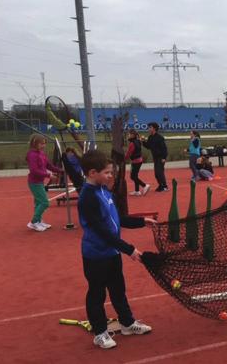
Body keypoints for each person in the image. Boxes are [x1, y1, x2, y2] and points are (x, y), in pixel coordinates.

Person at [78, 149, 156, 349]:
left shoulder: (105, 190)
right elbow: (103, 232)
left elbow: (117, 219)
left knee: (118, 290)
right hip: (96, 256)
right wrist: (129, 249)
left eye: (111, 172)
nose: (111, 176)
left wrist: (140, 222)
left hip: (112, 253)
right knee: (97, 294)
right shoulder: (87, 197)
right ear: (92, 173)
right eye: (107, 172)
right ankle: (100, 332)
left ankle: (127, 323)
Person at [26, 134, 62, 232]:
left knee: (38, 202)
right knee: (44, 202)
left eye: (44, 143)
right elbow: (34, 170)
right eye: (41, 144)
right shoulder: (31, 154)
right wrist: (49, 175)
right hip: (34, 182)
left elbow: (49, 166)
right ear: (35, 143)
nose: (43, 146)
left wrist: (61, 171)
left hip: (39, 182)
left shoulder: (42, 154)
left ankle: (38, 221)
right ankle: (33, 222)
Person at [141, 122, 168, 192]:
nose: (149, 129)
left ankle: (165, 186)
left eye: (150, 127)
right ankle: (161, 185)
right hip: (155, 158)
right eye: (149, 127)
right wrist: (143, 141)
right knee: (156, 173)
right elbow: (148, 146)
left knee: (159, 172)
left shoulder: (160, 138)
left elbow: (164, 149)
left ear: (154, 128)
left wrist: (164, 158)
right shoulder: (150, 137)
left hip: (161, 157)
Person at [125, 129, 149, 196]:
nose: (128, 135)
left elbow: (128, 154)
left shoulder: (132, 143)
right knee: (135, 176)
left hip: (135, 161)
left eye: (129, 134)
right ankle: (137, 191)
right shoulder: (137, 141)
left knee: (133, 177)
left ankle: (144, 185)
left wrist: (123, 159)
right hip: (139, 160)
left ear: (132, 135)